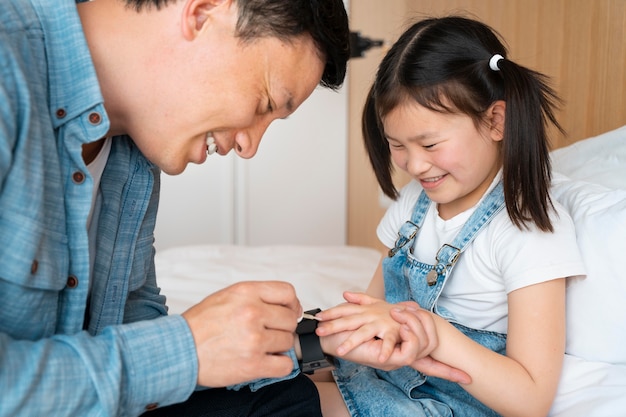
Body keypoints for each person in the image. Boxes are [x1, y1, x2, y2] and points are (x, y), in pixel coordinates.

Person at [0, 0, 349, 415]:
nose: (249, 146)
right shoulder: (8, 65)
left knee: (289, 398)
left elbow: (131, 326)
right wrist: (188, 349)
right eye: (263, 104)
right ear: (202, 13)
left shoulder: (132, 152)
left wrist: (295, 342)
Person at [310, 16, 586, 417]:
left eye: (430, 143)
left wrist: (433, 333)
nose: (415, 165)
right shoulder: (413, 204)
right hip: (388, 375)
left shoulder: (528, 229)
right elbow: (374, 307)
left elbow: (531, 398)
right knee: (269, 380)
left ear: (495, 121)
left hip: (443, 402)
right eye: (397, 145)